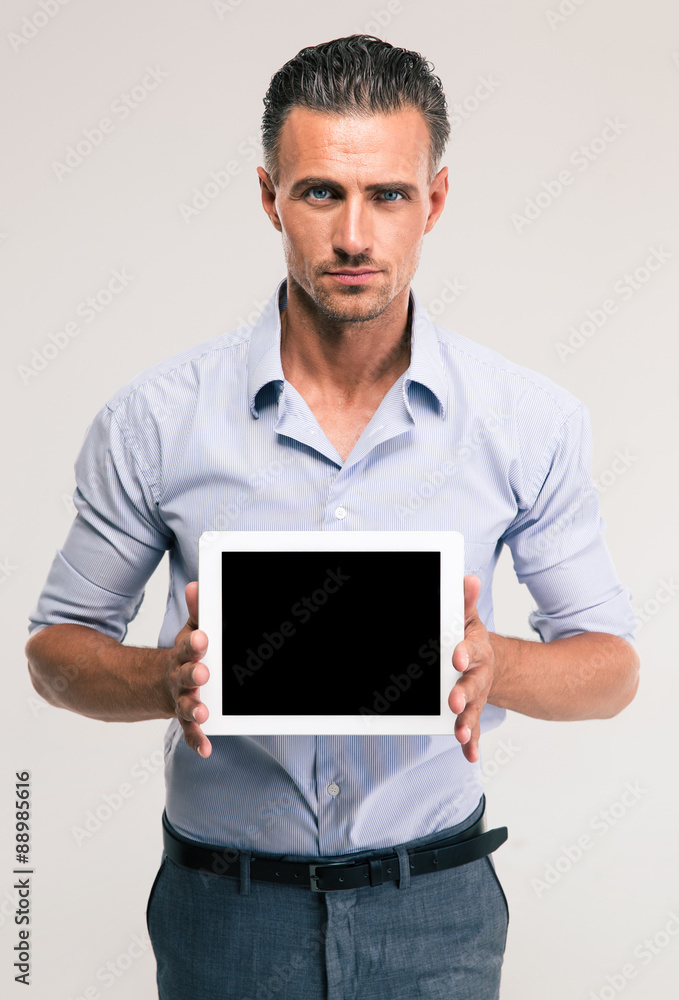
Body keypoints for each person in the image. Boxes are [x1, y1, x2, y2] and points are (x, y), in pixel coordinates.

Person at [26, 34, 639, 1000]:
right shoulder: (152, 420)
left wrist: (498, 665)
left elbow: (611, 668)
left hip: (435, 905)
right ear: (270, 195)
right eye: (321, 193)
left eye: (387, 195)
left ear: (432, 201)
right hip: (223, 910)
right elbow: (55, 650)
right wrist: (162, 678)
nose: (354, 234)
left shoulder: (529, 421)